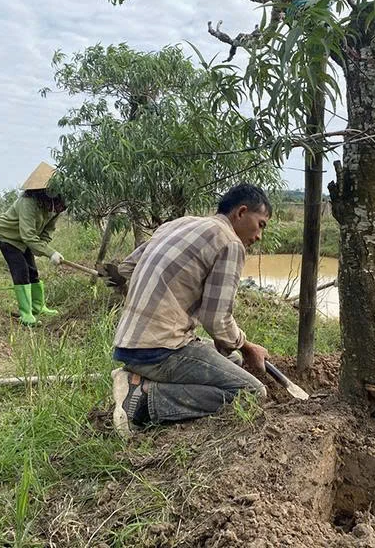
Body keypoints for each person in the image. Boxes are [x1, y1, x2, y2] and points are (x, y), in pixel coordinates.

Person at [110, 183, 272, 438]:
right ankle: (145, 400)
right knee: (252, 392)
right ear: (241, 213)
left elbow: (127, 267)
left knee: (232, 361)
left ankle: (138, 379)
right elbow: (216, 320)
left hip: (129, 344)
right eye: (261, 224)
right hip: (159, 351)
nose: (259, 235)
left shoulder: (179, 224)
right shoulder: (230, 242)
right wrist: (247, 345)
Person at [0, 162, 66, 326]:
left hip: (26, 240)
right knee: (21, 271)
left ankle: (38, 307)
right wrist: (50, 252)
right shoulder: (28, 202)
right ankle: (26, 314)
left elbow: (48, 231)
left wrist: (43, 248)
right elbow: (27, 235)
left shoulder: (56, 206)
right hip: (8, 237)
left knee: (33, 271)